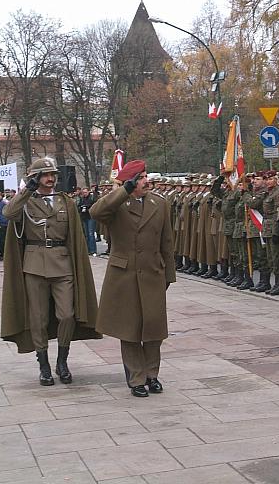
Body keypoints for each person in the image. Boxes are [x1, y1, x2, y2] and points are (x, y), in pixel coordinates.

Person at [1, 157, 100, 386]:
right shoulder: (25, 202)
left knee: (66, 314)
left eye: (52, 174)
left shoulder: (65, 201)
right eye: (45, 175)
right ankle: (43, 364)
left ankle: (62, 361)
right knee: (39, 318)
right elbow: (8, 214)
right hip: (34, 264)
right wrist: (27, 190)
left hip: (62, 263)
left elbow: (74, 236)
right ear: (35, 178)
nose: (50, 178)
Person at [90, 160, 176, 398]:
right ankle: (136, 378)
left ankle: (152, 375)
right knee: (129, 330)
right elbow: (95, 212)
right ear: (130, 183)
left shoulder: (160, 203)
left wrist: (169, 274)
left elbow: (166, 242)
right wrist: (123, 191)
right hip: (124, 275)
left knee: (154, 328)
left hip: (152, 273)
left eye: (146, 176)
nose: (146, 181)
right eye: (140, 178)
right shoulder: (117, 204)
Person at [77, 187, 98, 256]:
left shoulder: (91, 198)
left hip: (90, 217)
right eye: (83, 193)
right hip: (84, 217)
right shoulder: (82, 199)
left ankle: (93, 250)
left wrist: (87, 207)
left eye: (86, 192)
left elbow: (94, 206)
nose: (84, 194)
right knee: (86, 235)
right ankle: (88, 250)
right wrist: (81, 207)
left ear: (88, 192)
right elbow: (78, 207)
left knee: (91, 234)